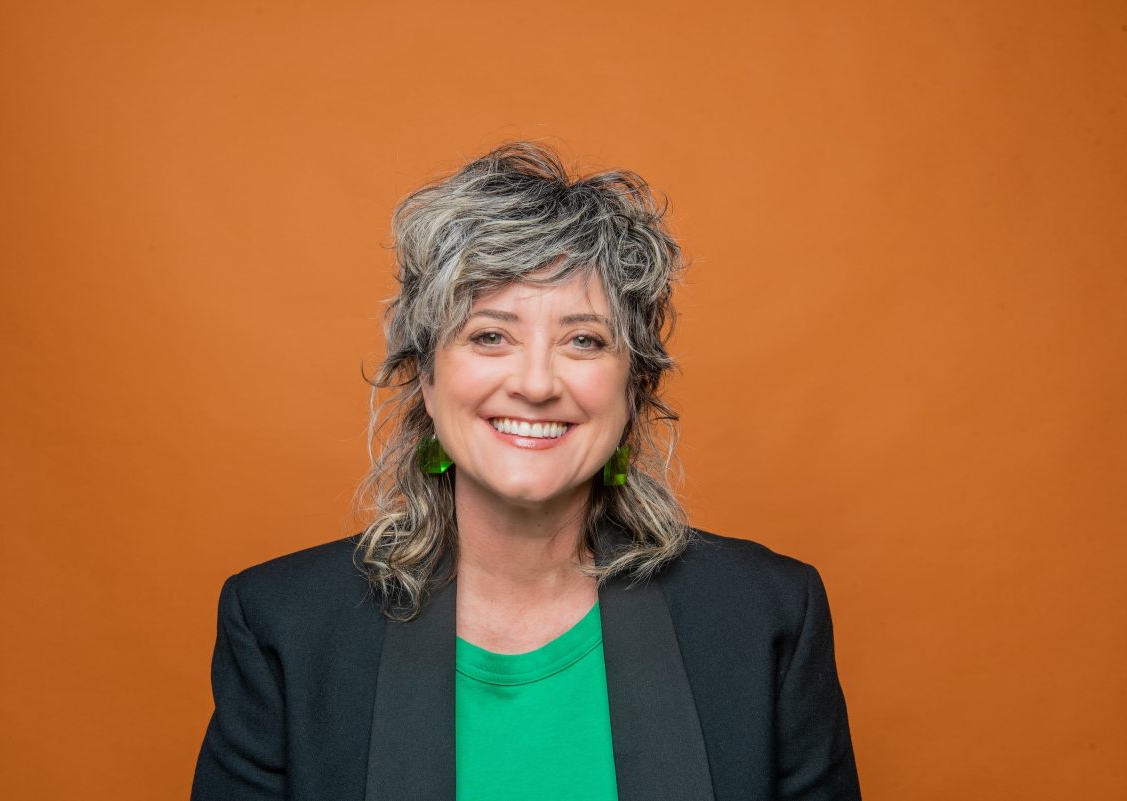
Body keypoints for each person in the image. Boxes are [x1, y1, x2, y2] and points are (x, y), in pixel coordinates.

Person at [191, 142, 862, 801]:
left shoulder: (765, 616)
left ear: (635, 388)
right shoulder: (285, 624)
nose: (537, 383)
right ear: (426, 377)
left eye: (584, 339)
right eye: (490, 335)